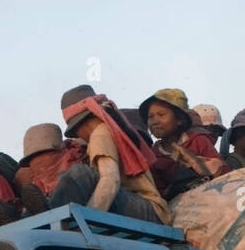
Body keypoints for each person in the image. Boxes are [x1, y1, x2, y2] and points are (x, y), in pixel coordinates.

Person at [40, 85, 170, 223]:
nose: (78, 135)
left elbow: (110, 181)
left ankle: (46, 215)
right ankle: (46, 213)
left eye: (75, 130)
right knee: (71, 177)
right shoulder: (111, 131)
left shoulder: (100, 133)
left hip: (149, 211)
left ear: (80, 124)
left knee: (80, 173)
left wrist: (87, 219)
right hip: (143, 209)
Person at [140, 88, 227, 199]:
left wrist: (200, 165)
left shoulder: (198, 141)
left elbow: (224, 173)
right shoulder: (152, 154)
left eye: (161, 115)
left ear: (179, 119)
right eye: (150, 117)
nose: (155, 121)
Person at [15, 123, 85, 205]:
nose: (39, 163)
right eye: (33, 158)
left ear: (63, 149)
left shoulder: (80, 170)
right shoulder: (37, 184)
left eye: (44, 154)